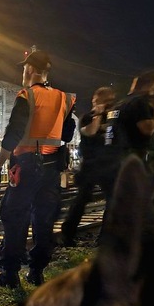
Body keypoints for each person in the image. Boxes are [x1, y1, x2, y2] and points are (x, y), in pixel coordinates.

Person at [0, 50, 76, 287]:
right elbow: (67, 133)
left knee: (15, 217)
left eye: (24, 68)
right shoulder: (64, 98)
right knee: (44, 220)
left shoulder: (26, 95)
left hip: (26, 167)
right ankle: (36, 271)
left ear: (30, 70)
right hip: (51, 170)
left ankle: (11, 274)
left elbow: (13, 135)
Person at [59, 86, 118, 246]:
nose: (109, 105)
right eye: (106, 101)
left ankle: (104, 237)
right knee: (81, 199)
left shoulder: (113, 118)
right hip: (90, 165)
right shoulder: (87, 118)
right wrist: (98, 114)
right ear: (96, 101)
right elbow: (90, 132)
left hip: (108, 165)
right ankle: (67, 234)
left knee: (113, 201)